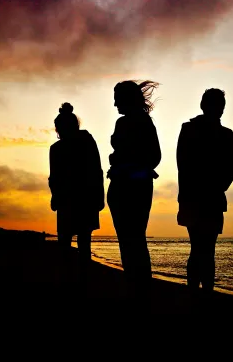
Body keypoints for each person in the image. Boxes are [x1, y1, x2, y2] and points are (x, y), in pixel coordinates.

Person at [176, 88, 233, 298]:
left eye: (220, 105)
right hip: (198, 198)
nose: (218, 109)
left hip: (206, 198)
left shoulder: (224, 134)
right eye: (215, 105)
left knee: (203, 249)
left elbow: (231, 167)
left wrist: (220, 186)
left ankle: (201, 293)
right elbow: (182, 164)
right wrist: (218, 186)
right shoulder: (191, 129)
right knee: (203, 249)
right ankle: (200, 293)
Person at [106, 80, 161, 299]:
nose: (114, 104)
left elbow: (154, 157)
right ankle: (136, 286)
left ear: (127, 99)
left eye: (117, 98)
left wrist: (123, 159)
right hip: (123, 187)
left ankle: (140, 289)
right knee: (131, 240)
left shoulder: (142, 123)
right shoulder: (125, 123)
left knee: (134, 239)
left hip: (134, 187)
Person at [49, 103, 104, 291]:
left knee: (67, 243)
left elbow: (54, 178)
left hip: (75, 199)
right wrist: (99, 198)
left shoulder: (60, 148)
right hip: (81, 199)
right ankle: (81, 282)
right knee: (82, 243)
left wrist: (55, 196)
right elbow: (97, 171)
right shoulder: (86, 142)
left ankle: (72, 282)